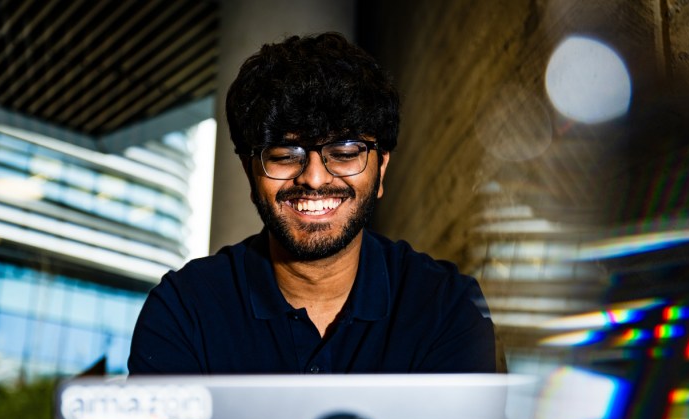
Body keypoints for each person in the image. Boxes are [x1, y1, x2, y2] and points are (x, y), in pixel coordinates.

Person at [128, 32, 495, 374]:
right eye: (285, 155)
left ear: (381, 169)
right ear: (249, 171)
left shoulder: (446, 307)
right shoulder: (184, 310)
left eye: (345, 152)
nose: (314, 178)